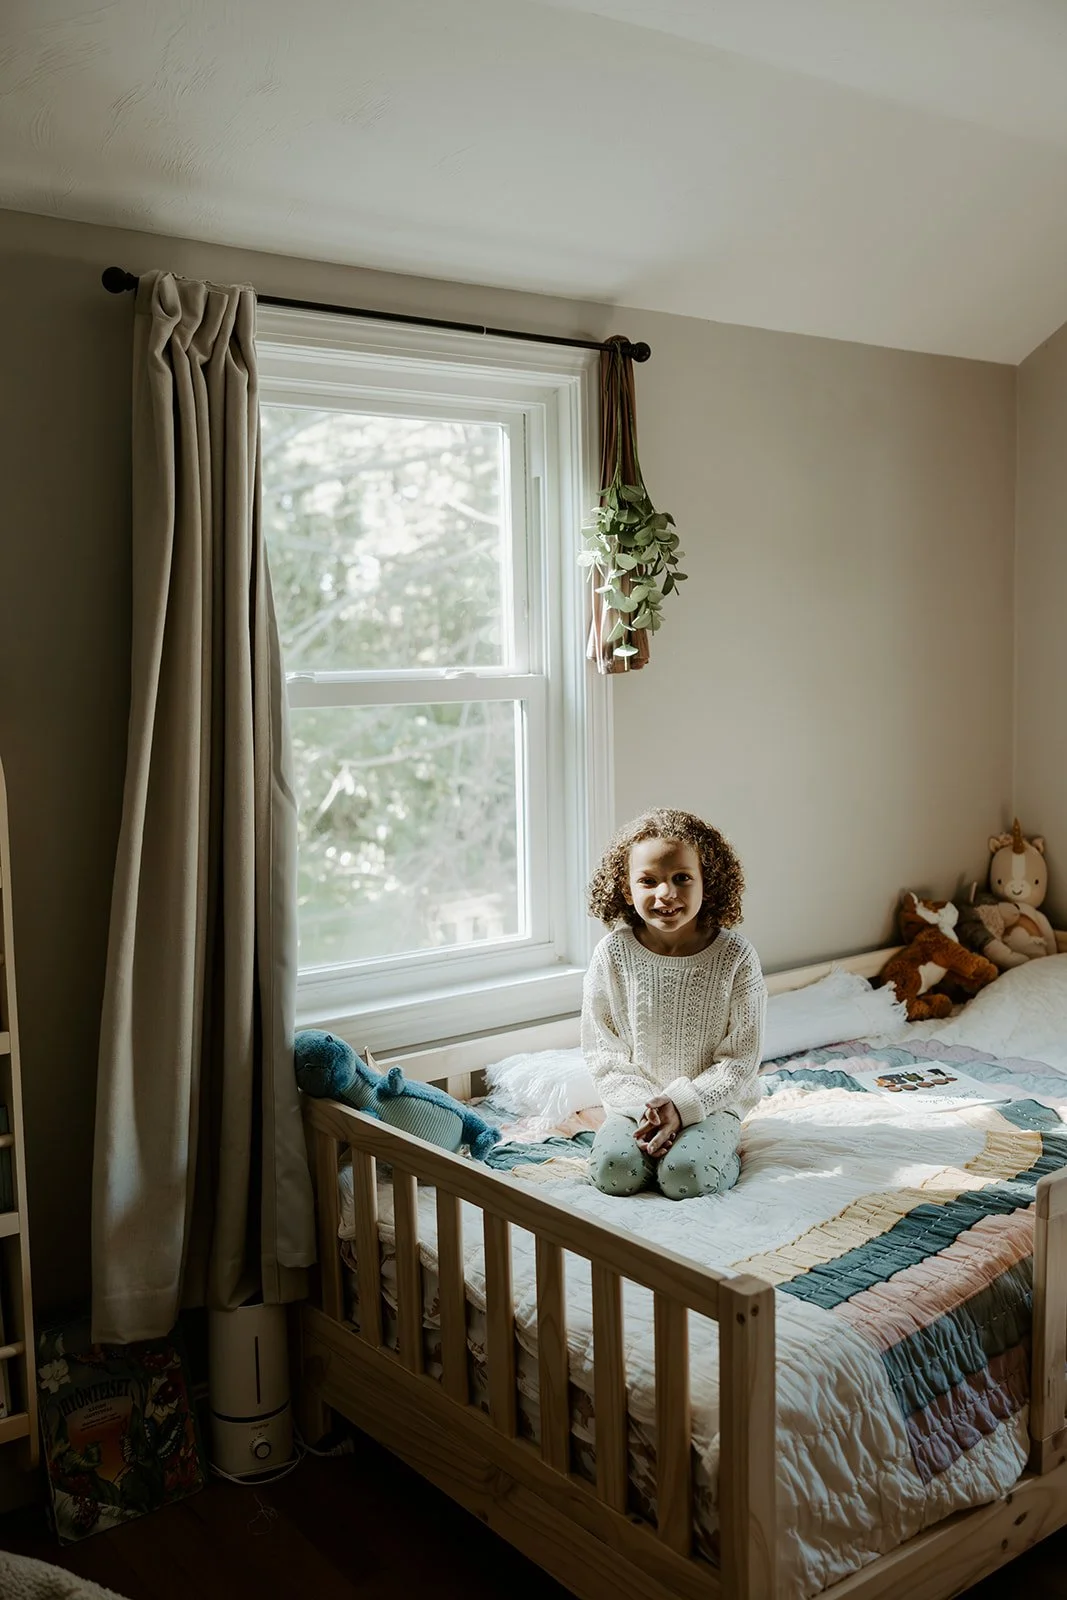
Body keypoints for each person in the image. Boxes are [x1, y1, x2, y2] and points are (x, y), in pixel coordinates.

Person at [582, 808, 766, 1200]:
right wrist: (650, 1109)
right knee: (614, 1172)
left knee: (684, 1177)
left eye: (681, 878)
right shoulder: (612, 954)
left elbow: (739, 1061)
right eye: (648, 881)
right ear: (628, 890)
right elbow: (604, 1054)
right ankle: (653, 1150)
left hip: (713, 1104)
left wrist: (682, 1106)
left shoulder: (736, 957)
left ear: (707, 884)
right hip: (635, 1107)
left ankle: (721, 1152)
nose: (666, 893)